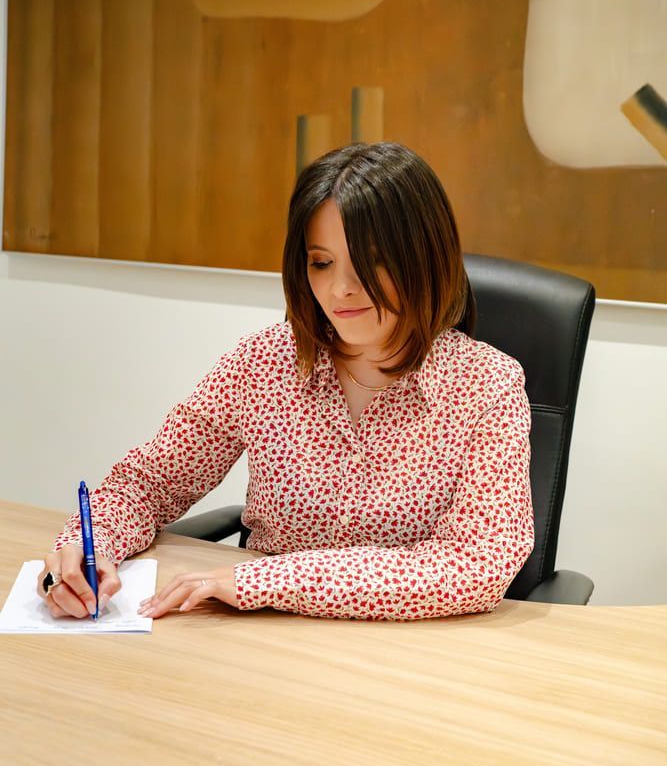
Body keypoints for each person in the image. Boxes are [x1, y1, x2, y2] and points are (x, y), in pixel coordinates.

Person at [37, 142, 534, 622]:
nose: (341, 288)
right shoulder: (264, 363)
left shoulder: (488, 385)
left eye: (371, 259)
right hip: (261, 644)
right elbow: (148, 483)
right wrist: (87, 545)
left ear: (425, 257)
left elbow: (478, 563)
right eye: (321, 262)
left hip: (405, 658)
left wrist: (265, 581)